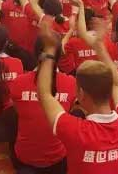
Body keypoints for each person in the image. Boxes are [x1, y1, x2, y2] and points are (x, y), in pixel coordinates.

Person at [37, 19, 118, 173]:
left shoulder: (77, 131)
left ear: (81, 94)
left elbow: (44, 94)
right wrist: (100, 48)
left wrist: (50, 48)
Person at [9, 36, 77, 173]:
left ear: (35, 54)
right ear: (59, 56)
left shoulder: (18, 82)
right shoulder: (71, 83)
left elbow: (17, 110)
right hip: (59, 162)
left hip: (25, 161)